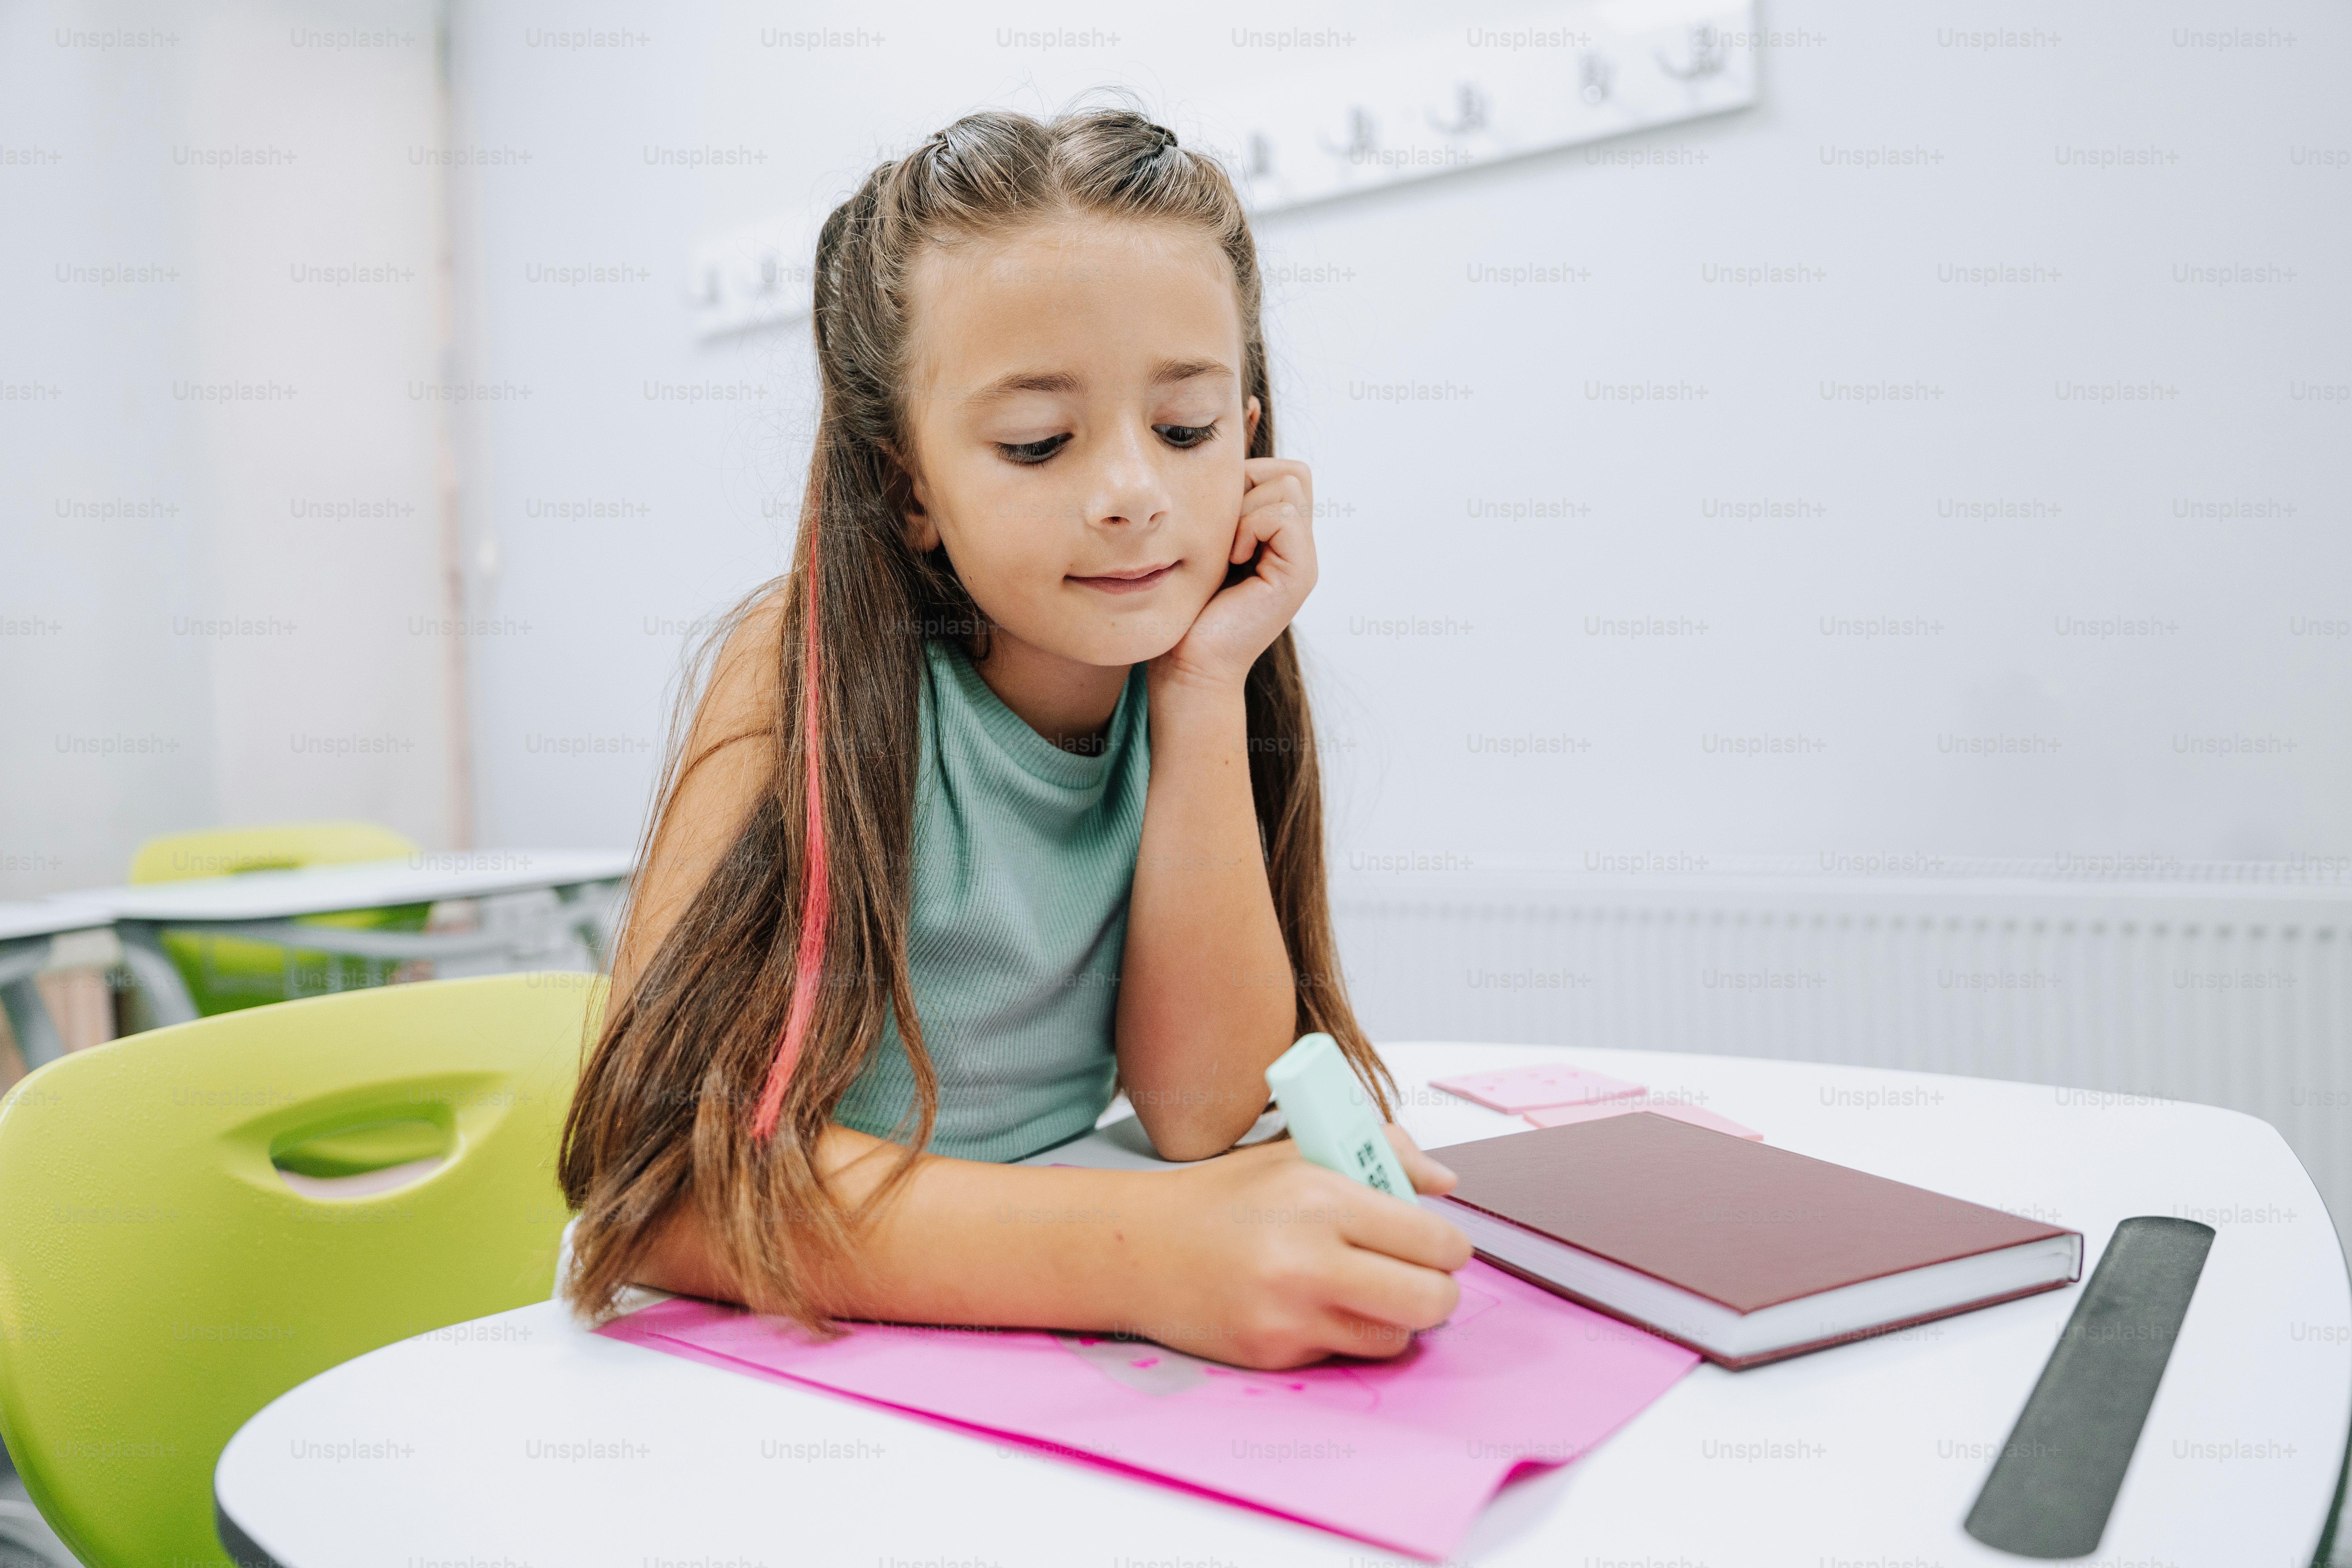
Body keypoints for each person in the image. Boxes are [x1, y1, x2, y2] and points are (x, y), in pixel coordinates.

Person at [557, 105, 1469, 1371]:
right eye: (1039, 442)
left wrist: (1205, 686)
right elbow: (654, 1183)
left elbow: (1205, 1114)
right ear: (907, 488)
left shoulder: (1194, 670)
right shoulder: (798, 671)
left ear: (1252, 434)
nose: (1133, 492)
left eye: (1189, 430)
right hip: (777, 1350)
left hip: (1007, 1324)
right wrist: (1154, 1249)